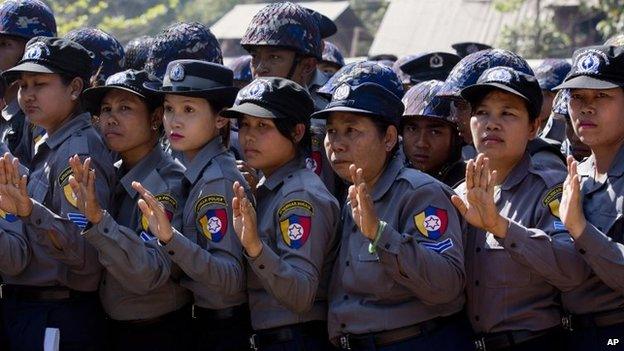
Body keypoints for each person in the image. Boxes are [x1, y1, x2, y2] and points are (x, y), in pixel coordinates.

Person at [319, 63, 473, 351]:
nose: (336, 144)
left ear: (389, 138)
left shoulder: (421, 194)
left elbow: (447, 285)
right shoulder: (352, 190)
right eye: (331, 131)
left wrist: (380, 234)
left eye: (351, 130)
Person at [452, 66, 586, 350]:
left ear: (534, 127)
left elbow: (572, 270)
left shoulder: (550, 189)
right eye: (482, 112)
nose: (492, 124)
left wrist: (500, 226)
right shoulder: (458, 195)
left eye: (508, 114)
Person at [0, 36, 115, 351]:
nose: (28, 95)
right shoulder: (49, 143)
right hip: (32, 310)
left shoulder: (77, 150)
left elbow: (85, 254)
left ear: (75, 88)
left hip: (57, 313)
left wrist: (29, 211)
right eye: (23, 85)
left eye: (39, 84)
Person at [70, 69, 192, 350]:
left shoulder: (166, 184)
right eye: (106, 109)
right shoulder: (112, 176)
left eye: (125, 108)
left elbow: (147, 273)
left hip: (158, 331)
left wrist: (99, 221)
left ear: (154, 118)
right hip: (114, 329)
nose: (111, 118)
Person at [136, 59, 252, 351]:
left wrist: (169, 238)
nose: (174, 121)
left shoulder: (217, 180)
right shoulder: (197, 171)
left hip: (223, 327)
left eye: (189, 109)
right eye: (170, 108)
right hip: (203, 323)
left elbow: (229, 279)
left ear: (221, 118)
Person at [222, 77, 340, 350]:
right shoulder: (270, 185)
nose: (248, 136)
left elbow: (300, 295)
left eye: (263, 125)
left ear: (297, 132)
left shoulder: (300, 195)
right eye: (245, 125)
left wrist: (255, 247)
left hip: (297, 337)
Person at [554, 45, 624, 350]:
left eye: (602, 96)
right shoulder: (574, 175)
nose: (585, 108)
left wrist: (581, 229)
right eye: (577, 97)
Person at [438, 49, 566, 169]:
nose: (454, 117)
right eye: (482, 112)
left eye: (461, 106)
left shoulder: (543, 168)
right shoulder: (478, 161)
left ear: (532, 126)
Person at [0, 0, 56, 165]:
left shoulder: (38, 115)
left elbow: (35, 184)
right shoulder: (9, 107)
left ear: (32, 51)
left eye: (4, 44)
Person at [401, 80, 465, 187]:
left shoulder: (470, 186)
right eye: (412, 129)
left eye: (435, 132)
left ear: (456, 137)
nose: (421, 143)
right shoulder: (391, 181)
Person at [534, 59, 571, 139]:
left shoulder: (573, 139)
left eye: (547, 94)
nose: (539, 100)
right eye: (537, 92)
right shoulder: (525, 131)